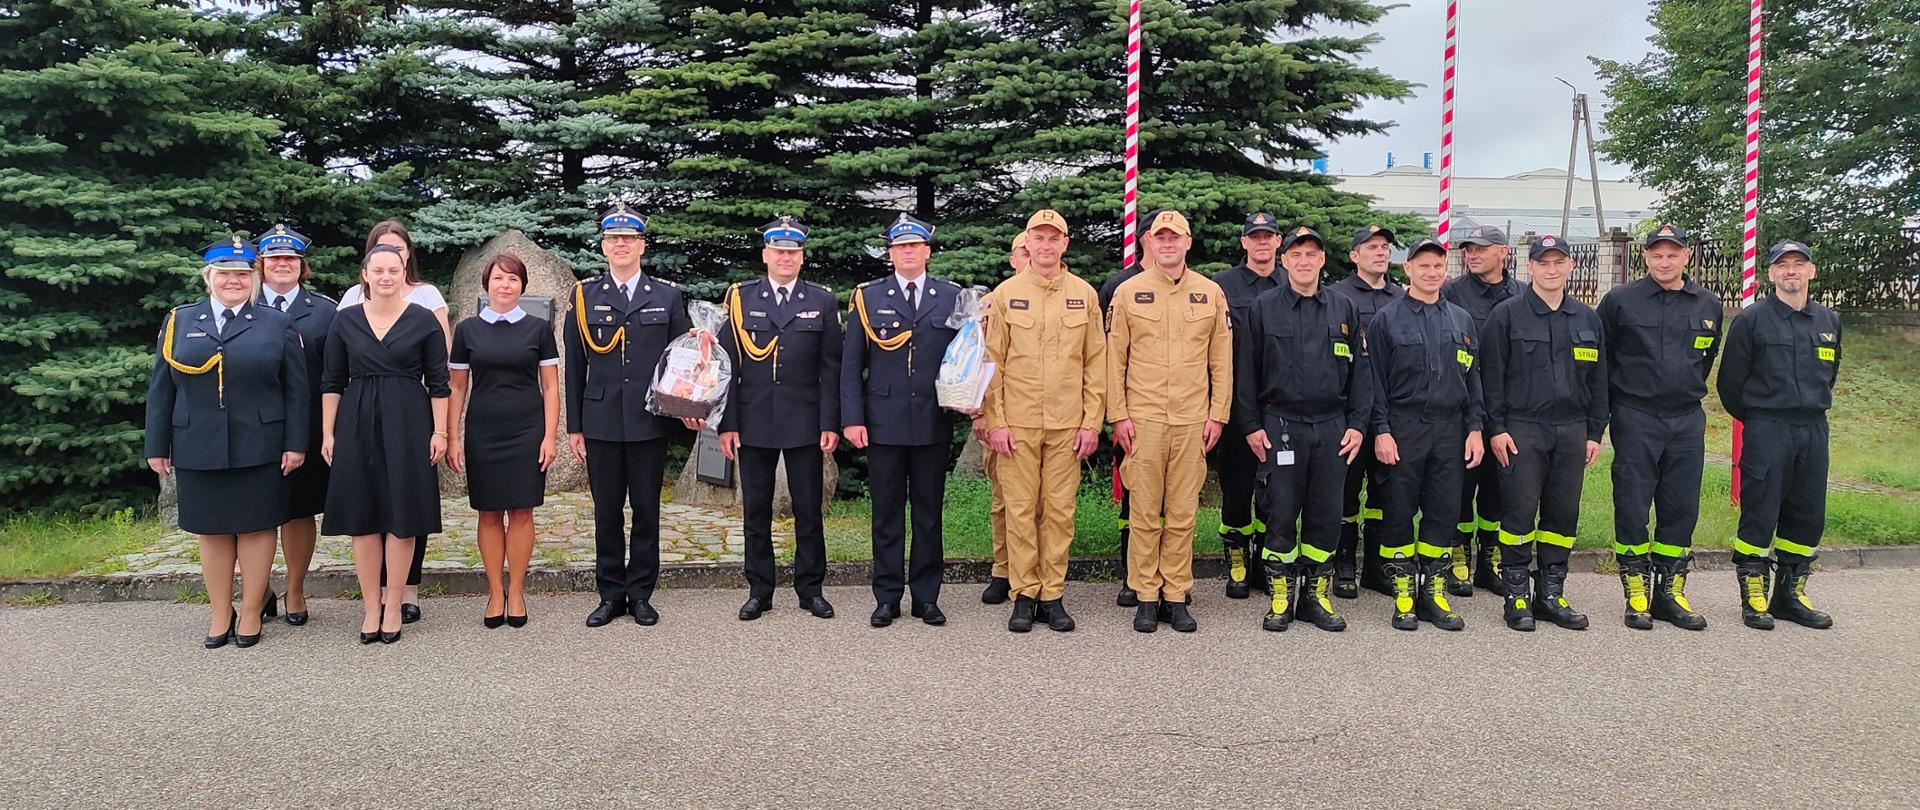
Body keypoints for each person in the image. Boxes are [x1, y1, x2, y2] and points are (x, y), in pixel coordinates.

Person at [145, 236, 309, 648]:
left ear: (253, 277)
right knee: (212, 531)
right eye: (224, 273)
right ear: (209, 277)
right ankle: (221, 611)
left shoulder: (275, 322)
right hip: (197, 442)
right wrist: (156, 445)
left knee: (257, 528)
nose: (233, 281)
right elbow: (161, 388)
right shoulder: (181, 320)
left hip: (261, 442)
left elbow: (295, 389)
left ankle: (251, 610)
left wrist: (295, 442)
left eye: (241, 273)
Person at [564, 204, 695, 628]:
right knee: (606, 511)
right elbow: (575, 367)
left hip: (648, 420)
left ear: (642, 245)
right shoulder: (584, 296)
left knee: (645, 509)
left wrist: (688, 410)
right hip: (600, 420)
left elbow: (682, 362)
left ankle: (640, 594)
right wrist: (575, 427)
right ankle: (609, 594)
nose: (621, 245)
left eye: (629, 239)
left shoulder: (667, 296)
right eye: (613, 239)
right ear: (604, 246)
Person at [1235, 226, 1371, 632]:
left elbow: (1362, 376)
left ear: (1323, 260)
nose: (1304, 261)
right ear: (1285, 260)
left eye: (1312, 254)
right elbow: (1246, 373)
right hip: (1281, 424)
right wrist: (1251, 426)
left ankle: (1315, 596)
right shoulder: (1264, 308)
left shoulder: (1343, 308)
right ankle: (1281, 597)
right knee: (1280, 511)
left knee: (1326, 513)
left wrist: (1359, 425)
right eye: (1296, 255)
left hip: (1332, 426)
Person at [1105, 210, 1231, 633]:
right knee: (1143, 510)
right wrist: (1118, 415)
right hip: (1143, 421)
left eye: (1175, 238)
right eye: (1161, 238)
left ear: (1188, 243)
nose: (1168, 245)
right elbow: (1113, 359)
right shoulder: (1129, 292)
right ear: (1150, 244)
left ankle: (1175, 595)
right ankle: (1145, 594)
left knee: (1181, 513)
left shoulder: (1210, 293)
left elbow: (1221, 361)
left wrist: (1218, 415)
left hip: (1193, 420)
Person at [982, 209, 1106, 633]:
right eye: (1040, 238)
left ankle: (1052, 593)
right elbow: (990, 363)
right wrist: (994, 421)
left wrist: (1092, 423)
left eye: (1055, 238)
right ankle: (1024, 593)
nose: (1047, 245)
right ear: (1027, 244)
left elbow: (1096, 363)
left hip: (1067, 425)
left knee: (1059, 512)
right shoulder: (1006, 294)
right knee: (1019, 511)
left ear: (1065, 244)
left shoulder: (1084, 295)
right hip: (1016, 425)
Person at [320, 245, 451, 644]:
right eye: (378, 270)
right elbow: (331, 382)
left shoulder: (424, 321)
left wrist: (440, 431)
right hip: (356, 422)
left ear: (403, 272)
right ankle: (370, 606)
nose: (385, 277)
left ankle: (394, 603)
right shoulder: (344, 321)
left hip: (409, 422)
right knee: (363, 517)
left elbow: (440, 383)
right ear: (365, 274)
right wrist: (328, 432)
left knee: (402, 515)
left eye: (393, 270)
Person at [1597, 224, 1721, 630]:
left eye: (1672, 254)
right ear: (1645, 258)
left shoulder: (1707, 303)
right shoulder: (1620, 301)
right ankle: (1636, 592)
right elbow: (1602, 361)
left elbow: (1705, 359)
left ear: (1686, 256)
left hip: (1687, 418)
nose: (1664, 261)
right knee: (1632, 503)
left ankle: (1670, 592)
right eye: (1656, 255)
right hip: (1636, 415)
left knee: (1681, 505)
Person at [1481, 234, 1608, 632]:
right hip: (1522, 429)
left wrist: (1595, 432)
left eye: (1558, 263)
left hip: (1571, 431)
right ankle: (1516, 595)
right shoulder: (1507, 315)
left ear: (1571, 266)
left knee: (1562, 515)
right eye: (1543, 263)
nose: (1551, 270)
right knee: (1518, 512)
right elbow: (1491, 378)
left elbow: (1601, 382)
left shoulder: (1587, 319)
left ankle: (1551, 594)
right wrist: (1496, 429)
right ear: (1529, 267)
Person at [718, 216, 843, 621]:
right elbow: (726, 367)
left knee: (809, 509)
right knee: (756, 510)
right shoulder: (740, 299)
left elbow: (831, 368)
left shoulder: (820, 301)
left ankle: (811, 589)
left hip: (805, 420)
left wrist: (829, 422)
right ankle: (760, 589)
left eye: (793, 252)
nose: (786, 258)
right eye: (779, 251)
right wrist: (727, 423)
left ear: (801, 257)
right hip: (753, 421)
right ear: (765, 255)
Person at [843, 213, 962, 627]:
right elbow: (851, 364)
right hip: (883, 422)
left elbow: (964, 358)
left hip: (932, 419)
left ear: (927, 251)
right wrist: (852, 419)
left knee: (929, 514)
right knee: (887, 513)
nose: (907, 252)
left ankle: (926, 597)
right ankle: (887, 595)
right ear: (890, 253)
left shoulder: (951, 297)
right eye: (900, 247)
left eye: (915, 246)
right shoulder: (868, 297)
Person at [1718, 239, 1840, 631]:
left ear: (1811, 271)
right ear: (1770, 273)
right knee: (1761, 509)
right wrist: (1758, 419)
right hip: (1767, 426)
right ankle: (1754, 594)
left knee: (1807, 514)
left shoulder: (1828, 322)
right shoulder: (1751, 320)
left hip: (1813, 427)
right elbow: (1730, 384)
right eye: (1783, 265)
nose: (1791, 271)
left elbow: (1831, 375)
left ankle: (1790, 594)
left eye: (1798, 264)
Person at [1367, 236, 1483, 631]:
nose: (1431, 272)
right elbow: (1375, 382)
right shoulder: (1387, 319)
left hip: (1450, 430)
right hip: (1404, 427)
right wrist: (1381, 431)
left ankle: (1433, 593)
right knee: (1399, 512)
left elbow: (1474, 379)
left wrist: (1475, 428)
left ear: (1445, 270)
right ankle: (1403, 594)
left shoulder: (1461, 320)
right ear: (1408, 269)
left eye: (1437, 266)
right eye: (1423, 266)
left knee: (1444, 513)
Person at [448, 253, 560, 628]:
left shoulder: (538, 329)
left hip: (527, 430)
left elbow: (550, 387)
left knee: (523, 511)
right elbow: (457, 388)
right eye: (498, 278)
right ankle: (495, 590)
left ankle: (517, 591)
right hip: (484, 430)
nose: (505, 285)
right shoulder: (467, 331)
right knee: (489, 512)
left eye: (513, 279)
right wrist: (452, 437)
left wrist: (549, 436)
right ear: (487, 283)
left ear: (523, 286)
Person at [255, 224, 336, 626]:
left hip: (307, 424)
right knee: (253, 512)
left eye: (290, 259)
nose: (282, 265)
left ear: (301, 266)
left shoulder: (324, 310)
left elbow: (337, 373)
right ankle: (259, 589)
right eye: (274, 259)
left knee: (299, 511)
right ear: (262, 265)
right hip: (253, 425)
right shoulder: (242, 303)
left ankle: (296, 588)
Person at [1442, 225, 1523, 596]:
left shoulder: (1521, 295)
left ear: (1503, 252)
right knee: (1461, 488)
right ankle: (1458, 559)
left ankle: (1489, 561)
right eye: (1469, 249)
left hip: (1508, 409)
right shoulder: (1451, 293)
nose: (1473, 254)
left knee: (1498, 490)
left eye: (1481, 248)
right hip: (1464, 410)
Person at [1326, 225, 1404, 598]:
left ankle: (1376, 567)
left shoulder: (1401, 298)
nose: (1380, 252)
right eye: (1371, 247)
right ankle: (1343, 565)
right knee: (1345, 491)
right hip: (1350, 411)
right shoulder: (1337, 297)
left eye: (1385, 247)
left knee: (1384, 494)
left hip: (1390, 412)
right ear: (1354, 255)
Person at [1208, 212, 1283, 599]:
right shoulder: (1222, 286)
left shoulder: (1293, 283)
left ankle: (1267, 564)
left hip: (1279, 409)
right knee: (1237, 491)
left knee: (1274, 493)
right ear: (1244, 243)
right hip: (1237, 407)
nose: (1262, 243)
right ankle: (1237, 562)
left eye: (1268, 236)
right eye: (1254, 237)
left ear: (1278, 241)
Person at [978, 231, 1029, 605]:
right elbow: (976, 363)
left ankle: (1038, 575)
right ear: (1013, 260)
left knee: (1045, 504)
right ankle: (1004, 568)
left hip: (1047, 418)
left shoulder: (1072, 297)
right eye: (1022, 252)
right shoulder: (991, 303)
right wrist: (981, 415)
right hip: (1000, 418)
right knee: (1004, 500)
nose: (1030, 256)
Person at [1097, 233, 1145, 609]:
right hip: (1129, 413)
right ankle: (1131, 574)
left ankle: (1168, 576)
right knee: (1132, 498)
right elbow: (1106, 352)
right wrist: (1115, 412)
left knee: (1173, 505)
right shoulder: (1119, 285)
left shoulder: (1196, 287)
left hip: (1179, 415)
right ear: (1143, 240)